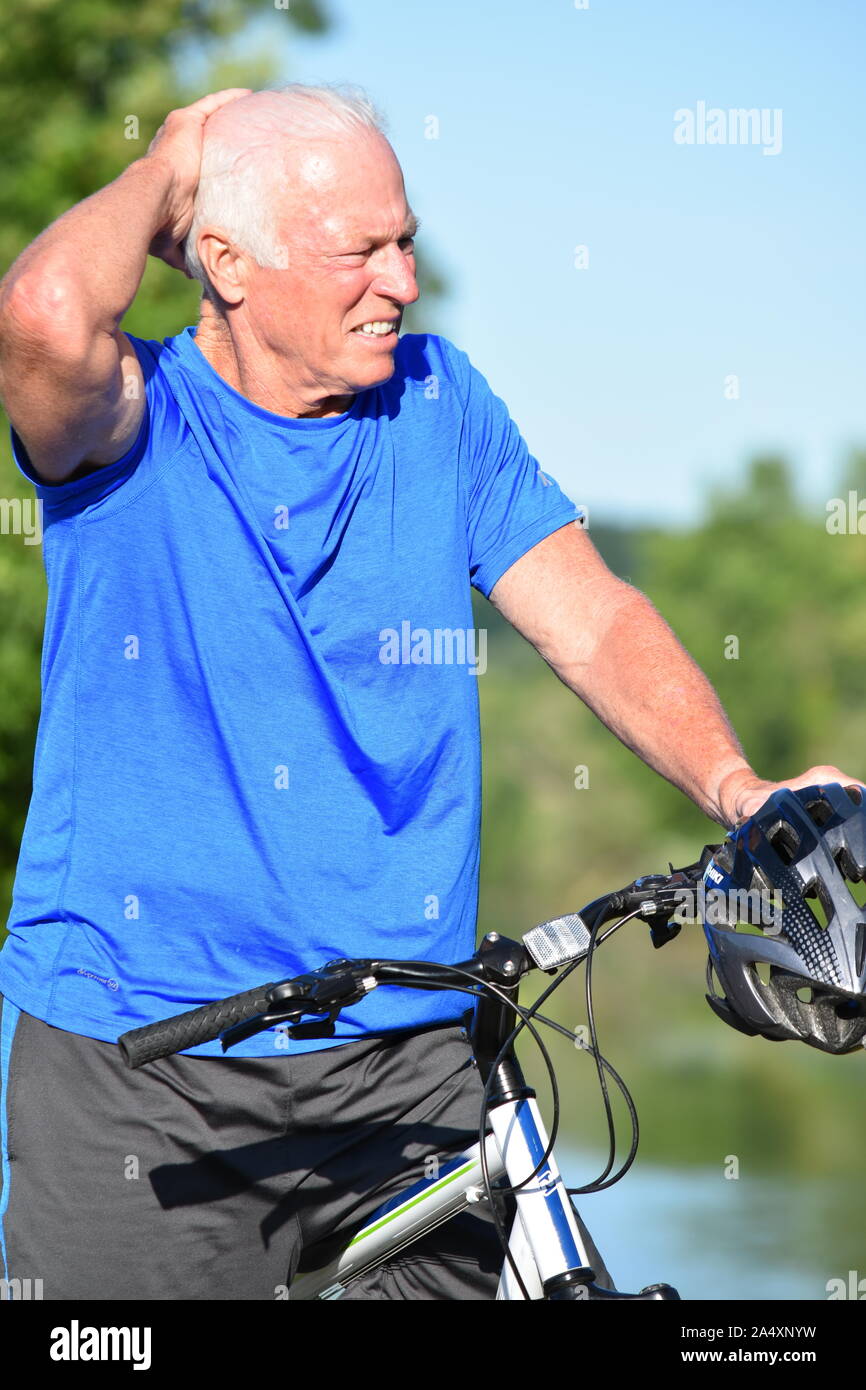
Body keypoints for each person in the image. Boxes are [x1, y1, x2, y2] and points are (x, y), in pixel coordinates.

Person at [0, 82, 858, 1301]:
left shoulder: (437, 402)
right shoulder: (129, 423)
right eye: (360, 252)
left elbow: (595, 620)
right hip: (144, 1069)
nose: (401, 282)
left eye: (405, 242)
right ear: (229, 264)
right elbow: (38, 311)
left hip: (405, 1062)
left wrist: (736, 786)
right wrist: (172, 162)